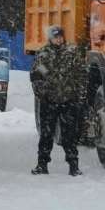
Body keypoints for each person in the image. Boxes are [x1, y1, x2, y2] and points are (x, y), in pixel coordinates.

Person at [30, 25, 87, 177]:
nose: (58, 39)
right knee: (46, 135)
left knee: (70, 135)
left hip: (69, 101)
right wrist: (41, 94)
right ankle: (42, 165)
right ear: (50, 38)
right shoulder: (43, 54)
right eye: (56, 37)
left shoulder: (72, 52)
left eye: (60, 36)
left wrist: (79, 96)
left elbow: (81, 75)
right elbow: (36, 77)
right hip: (49, 102)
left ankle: (73, 166)